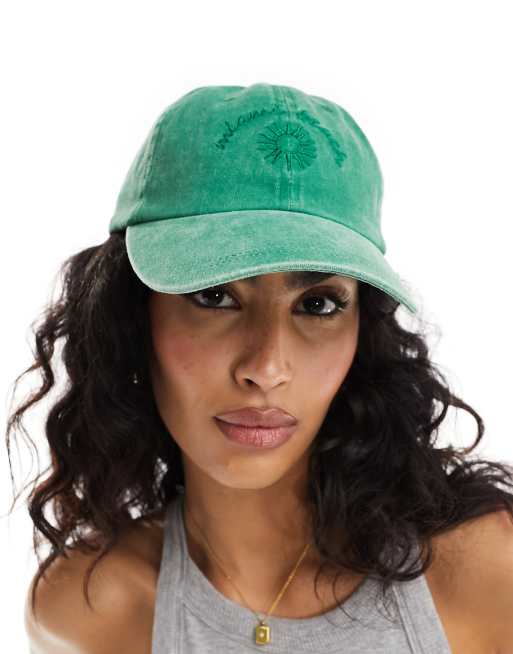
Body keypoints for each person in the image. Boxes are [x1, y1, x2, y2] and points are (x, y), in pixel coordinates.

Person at [9, 83, 513, 653]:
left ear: (362, 332)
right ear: (131, 317)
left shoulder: (485, 573)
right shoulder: (88, 609)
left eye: (317, 304)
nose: (266, 367)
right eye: (215, 296)